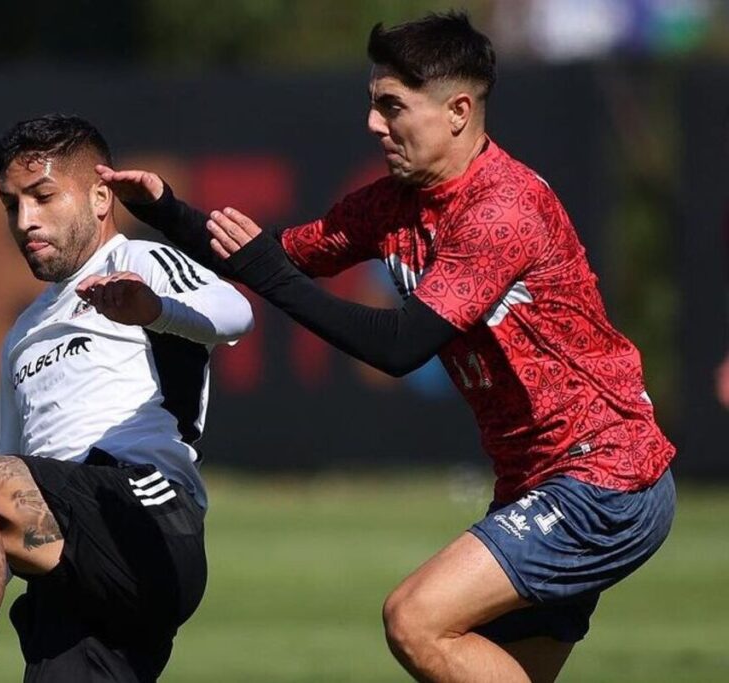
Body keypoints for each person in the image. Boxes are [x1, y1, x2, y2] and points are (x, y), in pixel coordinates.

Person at [97, 11, 676, 683]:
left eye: (392, 106)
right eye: (374, 104)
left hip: (604, 476)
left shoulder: (502, 210)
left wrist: (265, 271)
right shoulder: (396, 202)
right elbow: (278, 256)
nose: (375, 123)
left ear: (458, 111)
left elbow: (401, 345)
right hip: (537, 484)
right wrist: (169, 209)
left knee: (414, 618)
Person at [0, 114, 253, 683]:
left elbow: (236, 314)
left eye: (43, 196)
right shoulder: (23, 333)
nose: (25, 220)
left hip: (143, 516)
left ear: (101, 197)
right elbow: (2, 489)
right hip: (73, 571)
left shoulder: (138, 263)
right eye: (10, 204)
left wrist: (154, 310)